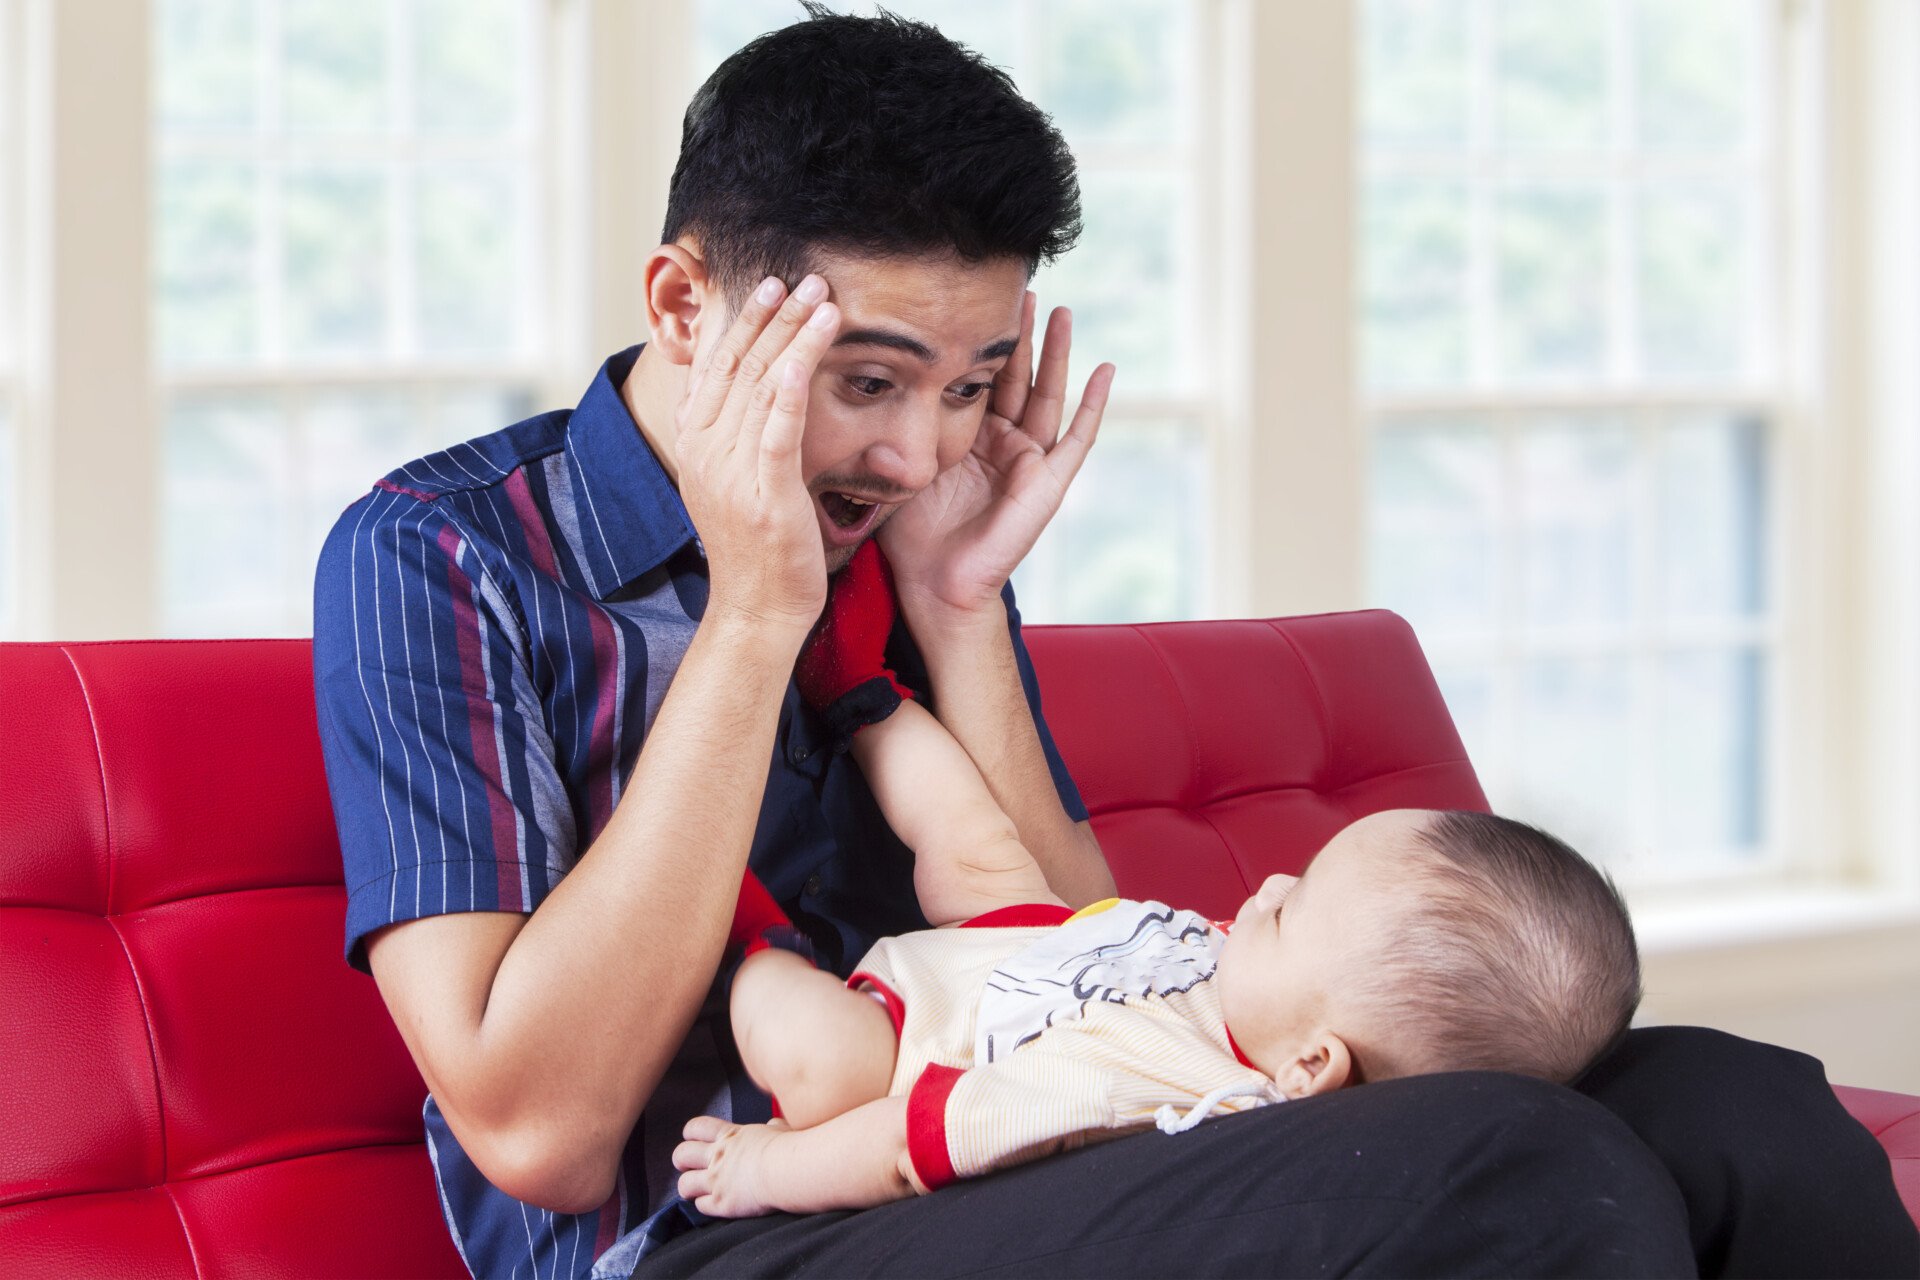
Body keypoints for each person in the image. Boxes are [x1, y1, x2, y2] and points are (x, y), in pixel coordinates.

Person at [311, 8, 1918, 1279]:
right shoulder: (441, 556)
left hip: (1053, 1132)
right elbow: (537, 1136)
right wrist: (753, 614)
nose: (926, 455)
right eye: (866, 381)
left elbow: (1085, 954)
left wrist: (956, 613)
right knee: (1518, 1161)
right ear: (684, 304)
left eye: (969, 384)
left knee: (1739, 1109)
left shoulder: (914, 530)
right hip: (741, 1224)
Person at [674, 558, 1646, 1215]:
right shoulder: (1266, 987)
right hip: (1036, 940)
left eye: (1292, 907)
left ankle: (725, 909)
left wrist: (765, 1166)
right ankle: (861, 690)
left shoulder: (1139, 1092)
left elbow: (908, 1141)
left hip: (912, 1044)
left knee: (817, 1057)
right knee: (980, 844)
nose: (1264, 883)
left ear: (1311, 1065)